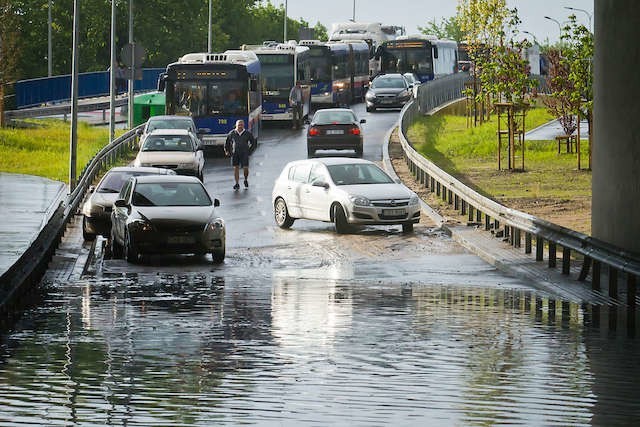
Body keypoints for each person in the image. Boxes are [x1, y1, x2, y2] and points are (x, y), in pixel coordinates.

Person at [224, 119, 256, 190]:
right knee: (236, 168)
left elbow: (253, 143)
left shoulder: (247, 133)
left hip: (244, 153)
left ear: (243, 125)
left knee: (245, 168)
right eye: (239, 125)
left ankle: (245, 179)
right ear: (236, 125)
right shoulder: (232, 133)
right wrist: (227, 150)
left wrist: (249, 151)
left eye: (241, 125)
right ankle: (237, 183)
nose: (240, 126)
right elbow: (227, 142)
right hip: (235, 153)